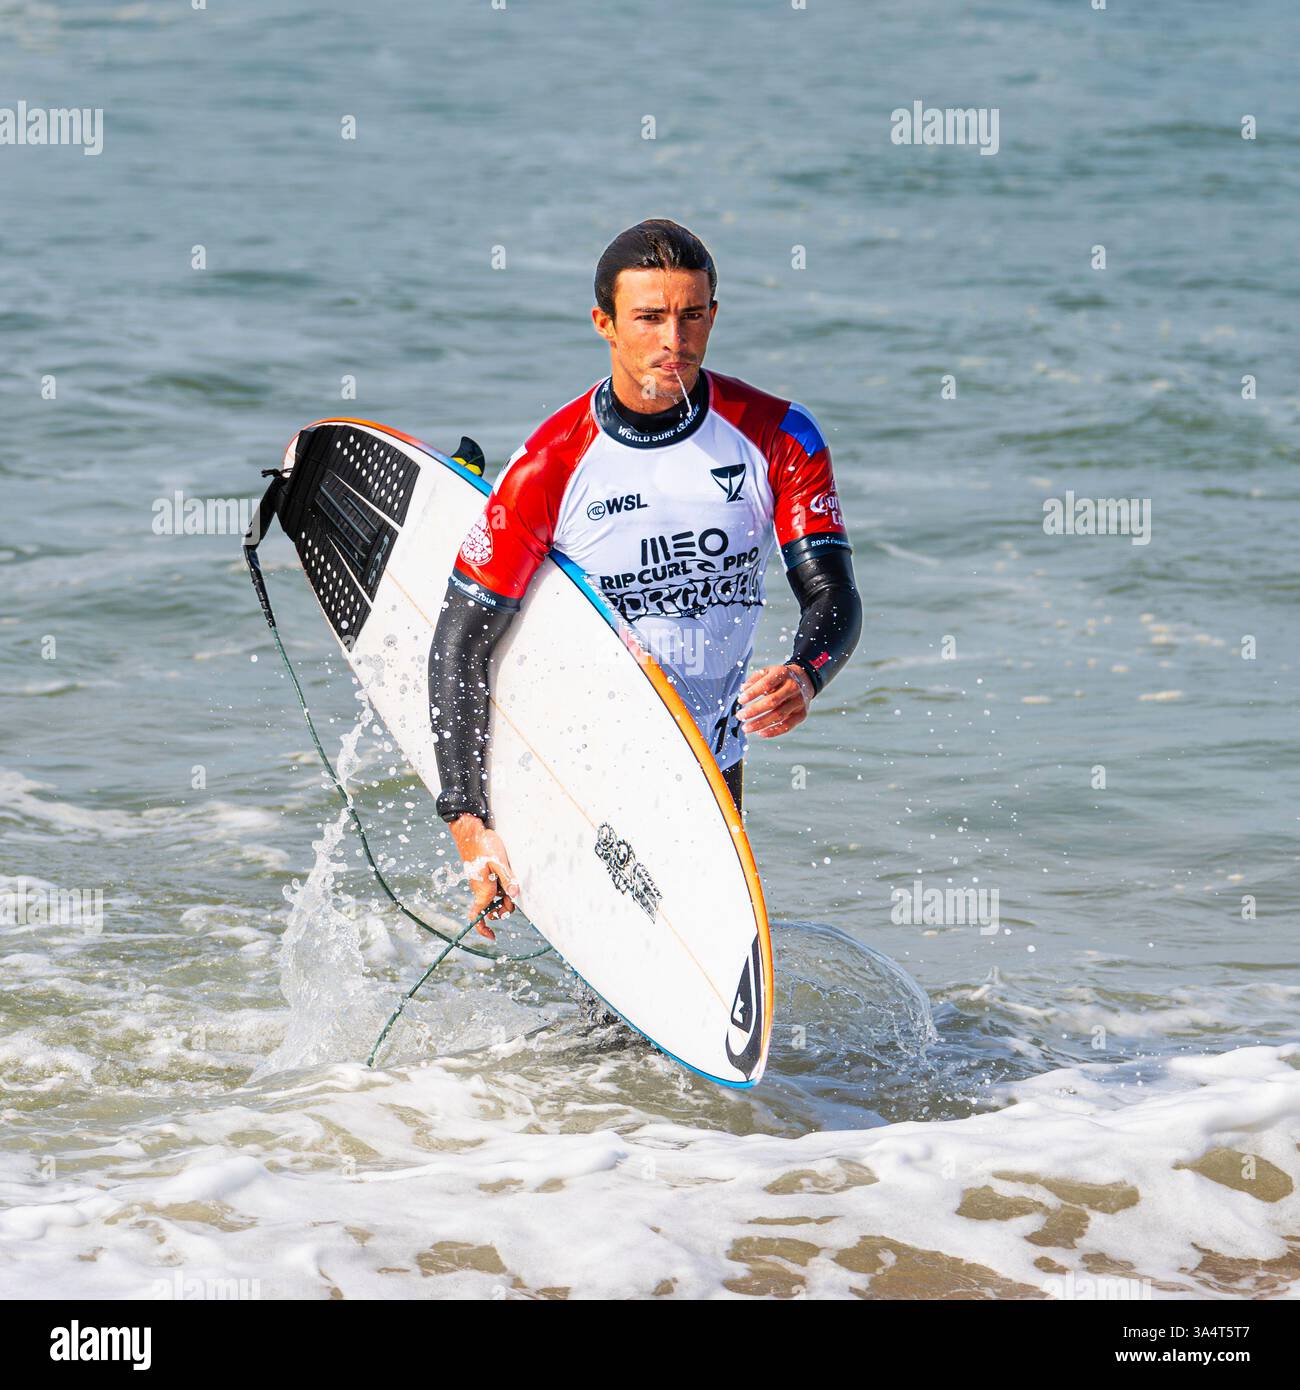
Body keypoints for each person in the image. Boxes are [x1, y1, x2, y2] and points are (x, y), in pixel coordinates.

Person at [430, 219, 861, 939]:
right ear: (605, 324)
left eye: (693, 315)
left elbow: (833, 595)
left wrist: (805, 674)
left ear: (714, 316)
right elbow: (460, 644)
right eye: (650, 317)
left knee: (697, 968)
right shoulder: (551, 463)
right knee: (610, 1013)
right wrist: (471, 826)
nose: (675, 339)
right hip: (583, 763)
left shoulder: (780, 436)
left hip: (711, 763)